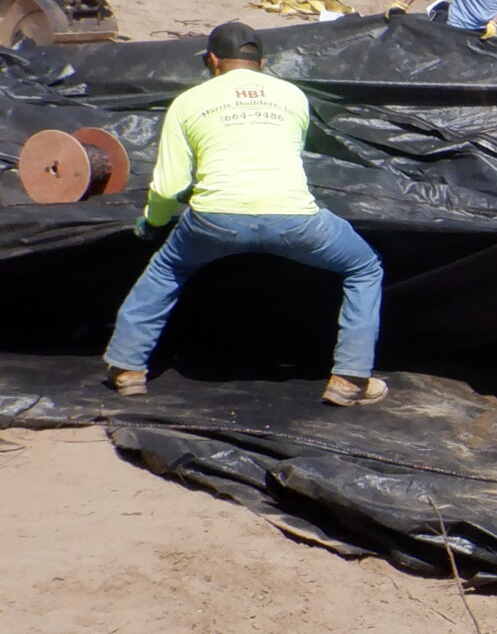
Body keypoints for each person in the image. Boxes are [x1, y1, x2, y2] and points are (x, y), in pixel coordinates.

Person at [104, 22, 388, 406]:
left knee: (167, 269)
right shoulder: (293, 96)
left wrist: (153, 223)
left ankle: (127, 369)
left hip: (215, 220)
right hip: (295, 219)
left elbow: (169, 186)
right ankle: (350, 378)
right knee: (364, 268)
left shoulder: (189, 101)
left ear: (212, 60)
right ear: (263, 62)